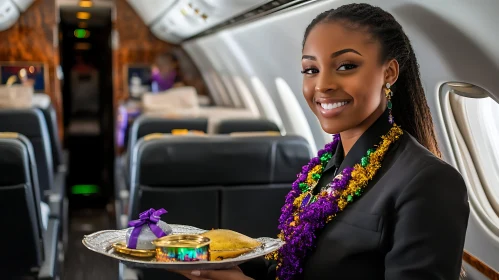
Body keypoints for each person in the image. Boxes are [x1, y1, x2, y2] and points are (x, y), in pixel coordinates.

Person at [172, 3, 470, 280]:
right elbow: (295, 266)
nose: (323, 84)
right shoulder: (325, 169)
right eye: (311, 70)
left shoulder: (429, 182)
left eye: (346, 66)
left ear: (388, 73)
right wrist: (213, 259)